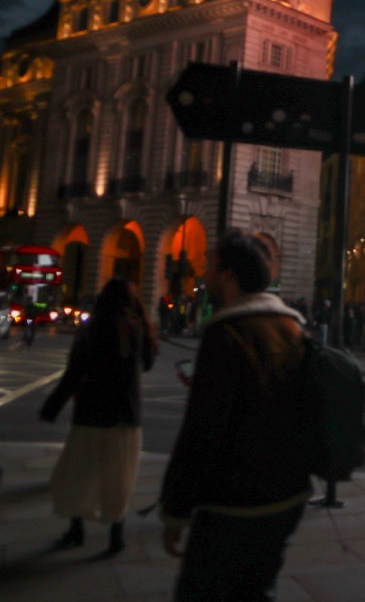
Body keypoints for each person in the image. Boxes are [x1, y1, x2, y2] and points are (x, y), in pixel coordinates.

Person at [158, 231, 309, 599]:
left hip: (237, 502)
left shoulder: (226, 333)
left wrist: (176, 509)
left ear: (229, 274)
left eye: (210, 265)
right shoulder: (291, 327)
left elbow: (202, 430)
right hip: (289, 495)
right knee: (258, 590)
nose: (204, 274)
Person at [39, 278, 157, 556]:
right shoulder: (137, 328)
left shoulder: (91, 329)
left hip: (91, 414)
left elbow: (74, 373)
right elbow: (148, 364)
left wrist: (52, 406)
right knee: (117, 481)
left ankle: (76, 530)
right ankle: (116, 537)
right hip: (126, 417)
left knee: (77, 476)